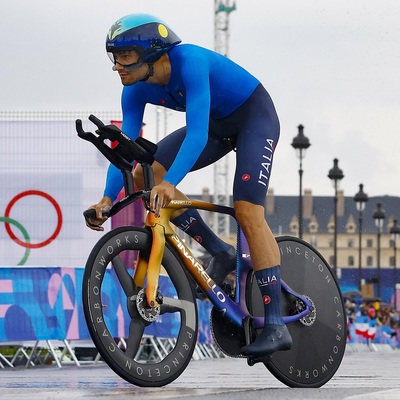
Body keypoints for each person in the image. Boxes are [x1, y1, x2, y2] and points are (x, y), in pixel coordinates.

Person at [86, 13, 292, 359]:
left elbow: (196, 134)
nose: (117, 66)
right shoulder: (134, 90)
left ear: (153, 53)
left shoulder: (191, 61)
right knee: (142, 176)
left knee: (247, 211)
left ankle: (276, 324)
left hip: (253, 117)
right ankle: (221, 251)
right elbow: (125, 150)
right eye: (114, 57)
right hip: (215, 124)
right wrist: (107, 199)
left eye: (125, 56)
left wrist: (170, 183)